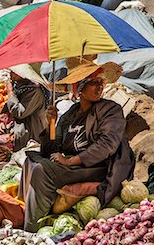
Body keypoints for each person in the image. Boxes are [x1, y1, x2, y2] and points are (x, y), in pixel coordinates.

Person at [19, 58, 135, 232]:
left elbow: (107, 144)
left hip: (97, 167)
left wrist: (70, 161)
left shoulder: (110, 110)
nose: (99, 87)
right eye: (93, 83)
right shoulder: (71, 114)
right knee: (31, 160)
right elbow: (51, 150)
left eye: (101, 82)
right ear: (79, 87)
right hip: (74, 167)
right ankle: (24, 212)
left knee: (41, 170)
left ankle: (31, 230)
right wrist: (50, 124)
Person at [3, 64, 49, 151]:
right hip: (21, 132)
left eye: (13, 72)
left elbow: (19, 112)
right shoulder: (21, 87)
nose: (10, 73)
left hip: (30, 135)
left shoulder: (34, 91)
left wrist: (10, 92)